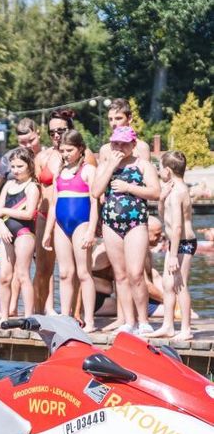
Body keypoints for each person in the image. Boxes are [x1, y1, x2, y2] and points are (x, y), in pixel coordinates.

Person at [91, 125, 161, 334]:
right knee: (120, 275)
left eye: (123, 144)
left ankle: (143, 321)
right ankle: (128, 321)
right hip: (111, 224)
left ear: (133, 144)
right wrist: (110, 167)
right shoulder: (106, 165)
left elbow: (155, 192)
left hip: (135, 223)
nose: (119, 147)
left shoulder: (143, 165)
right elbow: (95, 192)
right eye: (115, 143)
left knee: (136, 273)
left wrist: (128, 187)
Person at [41, 129, 98, 331]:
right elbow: (54, 204)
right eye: (63, 150)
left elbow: (95, 202)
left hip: (82, 222)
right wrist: (47, 232)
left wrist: (91, 230)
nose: (66, 154)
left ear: (80, 148)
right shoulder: (59, 172)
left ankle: (89, 320)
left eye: (70, 150)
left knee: (83, 273)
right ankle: (65, 318)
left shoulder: (88, 170)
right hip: (61, 224)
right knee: (65, 273)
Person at [0, 119, 42, 313]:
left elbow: (29, 213)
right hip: (6, 232)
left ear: (29, 167)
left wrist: (4, 212)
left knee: (22, 274)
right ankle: (5, 315)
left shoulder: (32, 187)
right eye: (13, 167)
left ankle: (29, 315)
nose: (15, 170)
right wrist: (1, 225)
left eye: (20, 166)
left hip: (24, 233)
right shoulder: (8, 184)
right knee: (4, 276)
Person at [150, 150, 195, 340]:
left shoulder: (178, 192)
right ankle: (168, 325)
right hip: (174, 244)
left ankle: (186, 329)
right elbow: (164, 218)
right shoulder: (171, 191)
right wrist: (161, 199)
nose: (158, 171)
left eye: (159, 168)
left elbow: (177, 227)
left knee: (179, 285)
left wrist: (174, 255)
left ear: (167, 170)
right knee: (168, 285)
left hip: (183, 244)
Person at [97, 98, 152, 164]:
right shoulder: (105, 150)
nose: (113, 123)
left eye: (118, 118)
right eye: (110, 119)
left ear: (129, 119)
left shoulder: (141, 147)